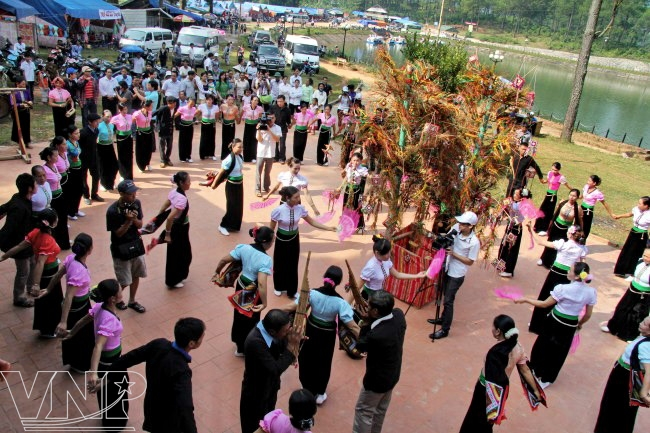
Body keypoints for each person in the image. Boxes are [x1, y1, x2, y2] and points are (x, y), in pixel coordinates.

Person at [110, 317, 204, 433]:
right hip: (169, 419)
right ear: (191, 343)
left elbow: (131, 357)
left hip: (151, 406)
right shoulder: (182, 371)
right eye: (201, 336)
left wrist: (109, 372)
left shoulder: (158, 345)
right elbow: (185, 407)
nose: (202, 338)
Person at [284, 266, 360, 405]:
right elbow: (352, 326)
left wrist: (275, 313)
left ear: (324, 276)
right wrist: (366, 339)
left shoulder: (312, 294)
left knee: (306, 357)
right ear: (338, 282)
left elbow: (292, 307)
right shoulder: (340, 302)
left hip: (310, 331)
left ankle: (306, 386)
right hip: (327, 336)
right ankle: (320, 392)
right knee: (323, 362)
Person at [515, 262, 596, 388]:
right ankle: (547, 379)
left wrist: (525, 299)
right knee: (559, 352)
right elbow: (588, 314)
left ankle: (536, 370)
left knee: (542, 345)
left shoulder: (562, 288)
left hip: (554, 321)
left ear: (575, 276)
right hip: (570, 325)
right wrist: (579, 324)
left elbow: (544, 304)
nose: (568, 271)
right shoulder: (591, 292)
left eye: (570, 270)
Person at [459, 315, 542, 433]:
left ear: (498, 331)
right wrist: (536, 391)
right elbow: (525, 370)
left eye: (493, 326)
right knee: (487, 421)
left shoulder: (495, 352)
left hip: (484, 389)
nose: (491, 328)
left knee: (474, 418)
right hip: (501, 393)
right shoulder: (518, 348)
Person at [65, 279, 129, 430]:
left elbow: (84, 319)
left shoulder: (100, 307)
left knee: (107, 392)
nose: (121, 291)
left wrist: (71, 332)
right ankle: (115, 424)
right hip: (111, 363)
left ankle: (109, 421)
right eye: (120, 290)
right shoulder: (109, 319)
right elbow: (98, 345)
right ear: (112, 298)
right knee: (116, 391)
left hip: (108, 362)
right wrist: (93, 373)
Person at [213, 226, 275, 355]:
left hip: (241, 285)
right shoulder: (266, 259)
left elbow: (224, 260)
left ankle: (239, 346)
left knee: (239, 316)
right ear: (265, 242)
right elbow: (262, 284)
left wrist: (217, 273)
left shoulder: (243, 248)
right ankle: (249, 346)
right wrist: (264, 303)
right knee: (251, 318)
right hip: (253, 292)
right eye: (272, 241)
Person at [0, 208, 61, 337]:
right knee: (50, 301)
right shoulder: (47, 240)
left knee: (46, 302)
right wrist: (36, 284)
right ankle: (49, 329)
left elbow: (19, 247)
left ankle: (45, 327)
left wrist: (3, 257)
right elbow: (40, 263)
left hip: (48, 272)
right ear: (52, 222)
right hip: (48, 273)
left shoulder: (36, 232)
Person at [240, 309, 302, 433]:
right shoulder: (255, 343)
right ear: (273, 331)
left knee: (268, 421)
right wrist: (290, 347)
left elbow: (281, 342)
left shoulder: (271, 331)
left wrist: (292, 339)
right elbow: (275, 369)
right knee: (254, 426)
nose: (287, 332)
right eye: (285, 331)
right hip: (255, 395)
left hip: (269, 389)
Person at [352, 291, 406, 433]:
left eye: (369, 307)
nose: (367, 309)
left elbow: (360, 345)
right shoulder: (399, 316)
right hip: (393, 375)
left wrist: (364, 323)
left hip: (376, 381)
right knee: (380, 410)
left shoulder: (376, 336)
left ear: (375, 311)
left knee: (364, 411)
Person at [41, 233, 95, 371]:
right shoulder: (79, 271)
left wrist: (48, 288)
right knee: (81, 335)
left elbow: (58, 275)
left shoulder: (71, 259)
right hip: (78, 307)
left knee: (77, 334)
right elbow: (69, 295)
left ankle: (74, 360)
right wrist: (63, 321)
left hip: (78, 305)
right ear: (90, 249)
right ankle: (80, 364)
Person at [270, 186, 336, 298]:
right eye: (296, 197)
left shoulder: (300, 208)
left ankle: (292, 290)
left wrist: (328, 228)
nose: (298, 199)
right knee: (280, 263)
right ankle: (278, 286)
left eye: (298, 196)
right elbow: (271, 229)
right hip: (281, 239)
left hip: (294, 239)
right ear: (287, 198)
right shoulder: (278, 211)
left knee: (293, 264)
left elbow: (312, 222)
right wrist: (269, 240)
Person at [429, 212, 481, 339]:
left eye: (463, 224)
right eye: (460, 223)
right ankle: (442, 318)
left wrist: (454, 254)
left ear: (471, 226)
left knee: (448, 301)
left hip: (457, 274)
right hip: (447, 267)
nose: (460, 225)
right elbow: (447, 238)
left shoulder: (474, 242)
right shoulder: (456, 229)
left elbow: (470, 261)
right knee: (444, 294)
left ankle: (445, 329)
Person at [594, 316, 650, 433]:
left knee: (616, 408)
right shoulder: (644, 338)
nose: (640, 323)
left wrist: (644, 393)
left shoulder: (645, 346)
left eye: (644, 323)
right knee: (615, 406)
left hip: (624, 378)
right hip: (621, 374)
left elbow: (649, 371)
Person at [527, 224, 586, 334]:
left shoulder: (562, 244)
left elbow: (541, 242)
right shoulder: (582, 249)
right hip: (568, 278)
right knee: (559, 301)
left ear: (570, 234)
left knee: (544, 298)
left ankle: (536, 325)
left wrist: (531, 229)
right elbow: (583, 266)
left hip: (554, 275)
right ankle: (548, 325)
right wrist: (581, 278)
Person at [106, 180, 146, 313]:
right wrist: (128, 221)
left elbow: (140, 224)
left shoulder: (136, 203)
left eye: (134, 192)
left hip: (135, 245)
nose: (134, 196)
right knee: (124, 280)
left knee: (136, 275)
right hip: (121, 249)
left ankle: (132, 300)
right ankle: (114, 300)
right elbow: (118, 234)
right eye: (130, 194)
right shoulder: (112, 211)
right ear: (121, 193)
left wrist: (133, 219)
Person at [0, 173, 36, 307]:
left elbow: (4, 207)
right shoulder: (19, 207)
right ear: (29, 188)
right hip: (19, 244)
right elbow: (10, 227)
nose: (37, 185)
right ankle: (19, 297)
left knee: (33, 263)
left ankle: (31, 287)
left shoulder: (21, 198)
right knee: (23, 271)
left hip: (28, 242)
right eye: (35, 183)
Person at [601, 248, 650, 341]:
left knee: (636, 315)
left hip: (644, 295)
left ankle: (630, 336)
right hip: (631, 291)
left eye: (648, 257)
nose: (645, 258)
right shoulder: (639, 261)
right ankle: (612, 327)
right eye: (645, 255)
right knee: (621, 308)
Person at [360, 235, 427, 301]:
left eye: (389, 251)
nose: (389, 255)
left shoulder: (386, 260)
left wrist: (417, 275)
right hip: (368, 297)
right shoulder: (370, 267)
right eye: (386, 253)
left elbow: (397, 275)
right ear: (377, 253)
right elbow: (357, 287)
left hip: (378, 294)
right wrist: (349, 309)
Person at [158, 172, 193, 288]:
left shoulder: (174, 192)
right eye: (188, 181)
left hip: (180, 228)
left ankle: (177, 276)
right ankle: (174, 279)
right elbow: (170, 218)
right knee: (181, 254)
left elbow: (164, 206)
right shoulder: (182, 199)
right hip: (178, 229)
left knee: (177, 253)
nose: (190, 183)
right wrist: (168, 234)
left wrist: (158, 218)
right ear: (182, 183)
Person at [537, 189, 583, 269]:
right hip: (556, 226)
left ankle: (552, 262)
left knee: (559, 246)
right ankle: (543, 258)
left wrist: (581, 230)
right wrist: (550, 226)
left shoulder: (578, 208)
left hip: (566, 229)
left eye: (574, 196)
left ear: (577, 197)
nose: (572, 197)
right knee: (550, 241)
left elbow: (579, 220)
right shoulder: (563, 203)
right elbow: (555, 214)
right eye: (570, 195)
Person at [208, 139, 244, 236]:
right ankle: (223, 225)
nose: (241, 149)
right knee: (231, 206)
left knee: (238, 206)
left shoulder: (240, 156)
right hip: (232, 185)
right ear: (233, 147)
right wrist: (214, 184)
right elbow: (221, 173)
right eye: (239, 147)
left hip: (239, 184)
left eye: (242, 147)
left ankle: (234, 225)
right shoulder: (228, 159)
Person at [40, 143, 69, 250]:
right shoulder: (44, 170)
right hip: (53, 199)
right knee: (54, 221)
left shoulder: (54, 166)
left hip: (60, 196)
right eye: (55, 156)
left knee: (63, 219)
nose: (57, 158)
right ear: (48, 157)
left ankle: (64, 241)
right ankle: (55, 242)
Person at [612, 196, 650, 278]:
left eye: (640, 203)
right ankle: (620, 270)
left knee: (636, 254)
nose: (638, 205)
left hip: (641, 236)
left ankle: (632, 272)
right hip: (633, 233)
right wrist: (619, 216)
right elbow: (630, 214)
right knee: (626, 251)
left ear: (646, 206)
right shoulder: (636, 209)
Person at [533, 162, 572, 235]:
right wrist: (541, 179)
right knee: (542, 210)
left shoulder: (561, 177)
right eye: (552, 169)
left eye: (555, 170)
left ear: (558, 170)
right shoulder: (549, 173)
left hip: (553, 197)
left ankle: (544, 229)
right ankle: (538, 226)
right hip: (547, 195)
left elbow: (568, 186)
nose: (553, 171)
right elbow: (546, 182)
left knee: (549, 213)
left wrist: (574, 192)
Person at [496, 190, 526, 278]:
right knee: (504, 246)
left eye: (516, 194)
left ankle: (508, 270)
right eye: (514, 193)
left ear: (521, 196)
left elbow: (520, 219)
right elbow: (505, 209)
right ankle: (501, 265)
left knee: (511, 249)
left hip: (515, 230)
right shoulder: (511, 202)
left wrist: (513, 217)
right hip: (510, 227)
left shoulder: (523, 206)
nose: (514, 195)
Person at [579, 175, 615, 240]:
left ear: (594, 183)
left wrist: (611, 214)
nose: (587, 182)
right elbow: (581, 196)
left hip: (588, 211)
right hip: (581, 208)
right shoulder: (586, 187)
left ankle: (582, 241)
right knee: (578, 223)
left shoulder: (597, 193)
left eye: (589, 181)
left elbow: (605, 204)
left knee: (585, 227)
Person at [339, 152, 368, 230]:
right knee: (345, 206)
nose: (356, 162)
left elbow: (367, 177)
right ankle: (345, 223)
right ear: (351, 160)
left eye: (358, 160)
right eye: (354, 160)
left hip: (356, 190)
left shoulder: (363, 169)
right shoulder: (348, 166)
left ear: (361, 161)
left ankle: (360, 226)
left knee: (356, 207)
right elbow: (345, 178)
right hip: (348, 189)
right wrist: (340, 188)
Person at [255, 112, 282, 197]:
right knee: (258, 172)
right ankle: (257, 189)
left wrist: (269, 130)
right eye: (269, 118)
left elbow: (277, 139)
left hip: (271, 153)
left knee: (267, 172)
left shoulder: (277, 128)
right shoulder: (261, 126)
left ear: (275, 118)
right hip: (261, 152)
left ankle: (266, 187)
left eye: (272, 118)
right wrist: (259, 130)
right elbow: (259, 140)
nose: (271, 120)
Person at [79, 113, 103, 205]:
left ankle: (94, 194)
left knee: (96, 176)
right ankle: (86, 196)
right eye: (95, 121)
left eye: (98, 121)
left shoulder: (96, 131)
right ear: (89, 122)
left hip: (94, 158)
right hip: (84, 159)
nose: (97, 123)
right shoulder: (83, 133)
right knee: (84, 178)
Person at [63, 126, 85, 221]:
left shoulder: (76, 142)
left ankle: (76, 209)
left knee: (80, 189)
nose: (78, 135)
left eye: (78, 132)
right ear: (70, 135)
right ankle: (70, 212)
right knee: (72, 191)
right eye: (76, 133)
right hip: (71, 170)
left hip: (79, 168)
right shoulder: (67, 145)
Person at [110, 103, 134, 180]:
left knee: (129, 156)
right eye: (123, 110)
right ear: (119, 110)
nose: (125, 111)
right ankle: (123, 174)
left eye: (126, 109)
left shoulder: (130, 116)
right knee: (122, 156)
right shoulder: (115, 118)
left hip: (129, 138)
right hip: (121, 138)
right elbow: (109, 126)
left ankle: (129, 175)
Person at [97, 110, 118, 191]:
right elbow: (96, 138)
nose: (109, 118)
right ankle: (103, 183)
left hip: (110, 146)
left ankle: (111, 181)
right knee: (103, 166)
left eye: (110, 116)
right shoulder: (99, 126)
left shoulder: (112, 125)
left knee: (114, 166)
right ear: (103, 116)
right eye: (107, 116)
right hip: (101, 147)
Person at [153, 96, 177, 168]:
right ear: (168, 103)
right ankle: (163, 160)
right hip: (162, 130)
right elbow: (154, 113)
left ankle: (167, 159)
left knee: (169, 146)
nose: (173, 105)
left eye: (173, 103)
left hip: (170, 130)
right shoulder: (163, 108)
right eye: (171, 103)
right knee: (162, 146)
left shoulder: (174, 109)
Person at [241, 96, 265, 162]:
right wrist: (242, 118)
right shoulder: (246, 106)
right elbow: (242, 113)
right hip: (248, 125)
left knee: (254, 141)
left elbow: (260, 117)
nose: (256, 102)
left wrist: (259, 124)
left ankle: (253, 157)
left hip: (255, 125)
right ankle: (246, 157)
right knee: (246, 140)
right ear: (251, 100)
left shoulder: (260, 108)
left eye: (257, 100)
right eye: (254, 100)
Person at [269, 95, 292, 163]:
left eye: (281, 101)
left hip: (283, 128)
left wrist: (290, 124)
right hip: (275, 128)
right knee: (275, 143)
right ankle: (276, 157)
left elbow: (288, 121)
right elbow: (269, 115)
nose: (279, 103)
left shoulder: (288, 110)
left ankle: (282, 158)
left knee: (282, 144)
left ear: (284, 101)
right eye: (278, 101)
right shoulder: (273, 107)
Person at [10, 77, 32, 148]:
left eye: (25, 84)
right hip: (18, 112)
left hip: (26, 111)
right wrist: (21, 105)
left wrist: (30, 102)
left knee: (26, 126)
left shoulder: (26, 91)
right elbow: (13, 104)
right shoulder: (13, 92)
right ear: (17, 84)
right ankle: (20, 142)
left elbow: (30, 99)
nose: (24, 86)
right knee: (18, 127)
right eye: (22, 84)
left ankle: (27, 142)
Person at [196, 94, 219, 160]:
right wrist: (198, 119)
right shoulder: (201, 106)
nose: (209, 101)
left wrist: (214, 120)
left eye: (210, 100)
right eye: (208, 100)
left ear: (212, 100)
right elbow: (198, 113)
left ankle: (211, 154)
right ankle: (203, 155)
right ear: (206, 100)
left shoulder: (215, 107)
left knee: (211, 139)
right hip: (204, 124)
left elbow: (217, 116)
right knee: (203, 139)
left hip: (212, 124)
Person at [133, 100, 154, 172]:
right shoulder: (137, 113)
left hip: (148, 132)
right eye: (151, 106)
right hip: (140, 132)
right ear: (146, 106)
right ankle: (141, 166)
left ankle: (147, 163)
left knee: (148, 149)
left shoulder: (150, 112)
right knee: (140, 149)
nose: (152, 107)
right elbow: (132, 121)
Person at [219, 94, 238, 159]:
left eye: (232, 99)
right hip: (224, 124)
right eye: (229, 99)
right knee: (224, 139)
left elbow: (236, 117)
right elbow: (220, 114)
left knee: (231, 139)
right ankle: (224, 155)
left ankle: (231, 154)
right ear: (226, 100)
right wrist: (220, 119)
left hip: (231, 124)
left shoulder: (235, 107)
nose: (230, 101)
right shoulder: (222, 106)